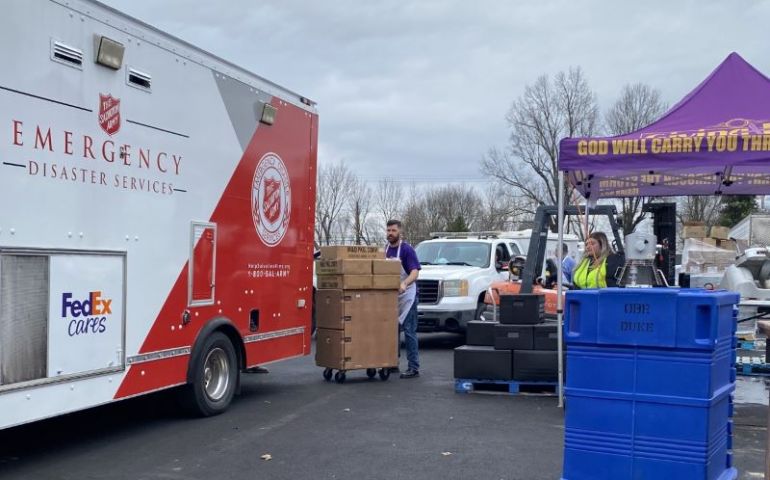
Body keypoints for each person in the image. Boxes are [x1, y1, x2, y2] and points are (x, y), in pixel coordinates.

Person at [385, 219, 421, 379]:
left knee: (409, 332)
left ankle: (413, 367)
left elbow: (414, 272)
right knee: (391, 331)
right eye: (388, 230)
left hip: (408, 297)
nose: (390, 233)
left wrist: (405, 283)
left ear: (400, 232)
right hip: (391, 297)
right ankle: (392, 363)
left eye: (393, 230)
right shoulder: (384, 251)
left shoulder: (407, 250)